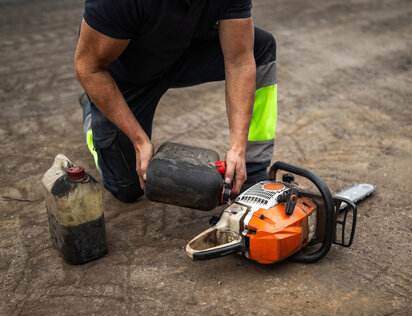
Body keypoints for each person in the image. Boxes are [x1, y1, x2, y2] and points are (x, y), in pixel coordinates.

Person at [75, 0, 277, 203]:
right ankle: (94, 114)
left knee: (261, 48)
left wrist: (238, 147)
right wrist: (138, 140)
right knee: (128, 187)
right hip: (128, 78)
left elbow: (240, 61)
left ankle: (251, 169)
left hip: (182, 53)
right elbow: (89, 68)